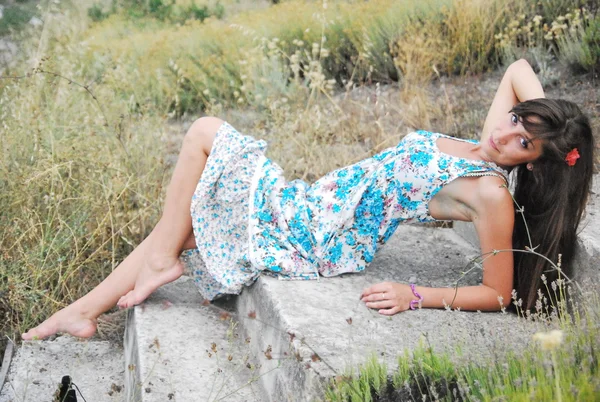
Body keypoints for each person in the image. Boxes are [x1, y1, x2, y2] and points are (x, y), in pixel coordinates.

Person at [22, 59, 594, 341]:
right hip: (314, 201)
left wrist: (415, 293)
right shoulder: (485, 142)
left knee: (204, 132)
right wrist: (551, 123)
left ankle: (138, 275)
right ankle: (82, 312)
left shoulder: (490, 191)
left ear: (532, 163)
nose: (506, 134)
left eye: (524, 144)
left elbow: (497, 292)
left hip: (322, 234)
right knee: (180, 226)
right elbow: (519, 70)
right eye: (517, 122)